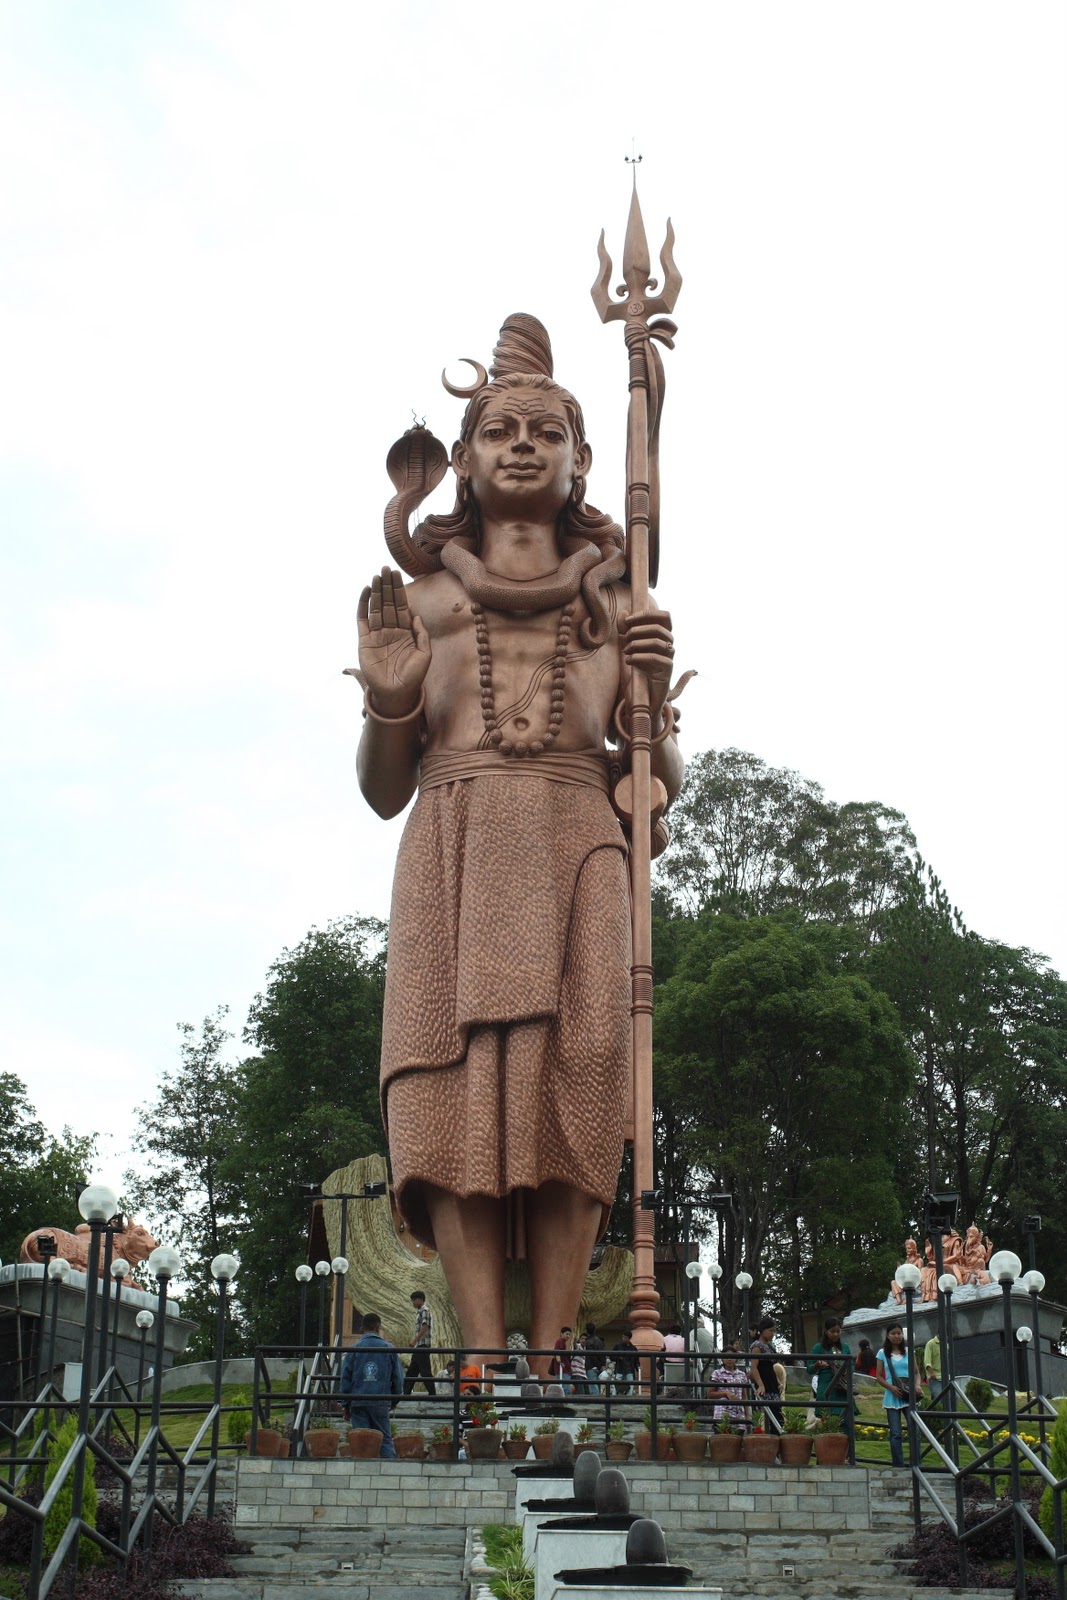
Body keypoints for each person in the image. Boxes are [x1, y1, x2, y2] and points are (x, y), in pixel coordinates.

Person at [353, 314, 682, 1367]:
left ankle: (550, 1357)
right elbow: (380, 790)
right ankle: (480, 1364)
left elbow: (653, 791)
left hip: (576, 842)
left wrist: (652, 717)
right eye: (501, 429)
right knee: (449, 1096)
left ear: (582, 458)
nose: (524, 445)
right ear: (462, 458)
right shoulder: (425, 603)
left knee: (577, 1087)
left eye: (547, 429)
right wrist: (389, 704)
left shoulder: (617, 607)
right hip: (452, 842)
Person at [340, 1313, 404, 1458]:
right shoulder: (389, 1348)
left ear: (362, 1328)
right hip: (380, 1400)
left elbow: (345, 1377)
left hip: (358, 1400)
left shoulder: (354, 1348)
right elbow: (398, 1378)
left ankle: (361, 1476)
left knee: (361, 1442)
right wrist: (395, 1399)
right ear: (378, 1327)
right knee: (385, 1440)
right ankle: (389, 1475)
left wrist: (345, 1403)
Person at [876, 1322, 918, 1468]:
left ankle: (915, 1463)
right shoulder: (882, 1353)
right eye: (893, 1333)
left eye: (899, 1333)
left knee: (915, 1430)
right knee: (895, 1433)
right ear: (887, 1336)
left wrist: (917, 1385)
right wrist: (891, 1388)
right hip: (892, 1396)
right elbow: (879, 1376)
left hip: (908, 1395)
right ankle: (898, 1465)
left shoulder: (908, 1351)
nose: (896, 1336)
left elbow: (916, 1372)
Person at [807, 1318, 855, 1421]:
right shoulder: (818, 1348)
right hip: (826, 1388)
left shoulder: (845, 1347)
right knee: (827, 1423)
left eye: (838, 1331)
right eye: (832, 1331)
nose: (836, 1334)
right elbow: (809, 1369)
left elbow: (852, 1365)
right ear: (826, 1331)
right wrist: (817, 1365)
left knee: (846, 1423)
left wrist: (848, 1371)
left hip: (843, 1389)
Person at [749, 1316, 783, 1434]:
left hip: (771, 1382)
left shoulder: (769, 1347)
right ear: (762, 1330)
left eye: (774, 1331)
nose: (773, 1334)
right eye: (770, 1330)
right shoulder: (757, 1346)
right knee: (773, 1415)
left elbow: (770, 1367)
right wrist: (761, 1385)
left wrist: (778, 1382)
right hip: (765, 1383)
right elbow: (754, 1368)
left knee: (777, 1415)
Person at [706, 1342, 749, 1431]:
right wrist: (725, 1393)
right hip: (722, 1413)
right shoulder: (717, 1373)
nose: (729, 1359)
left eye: (732, 1356)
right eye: (726, 1357)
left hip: (739, 1415)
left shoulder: (742, 1375)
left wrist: (747, 1416)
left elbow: (744, 1396)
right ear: (722, 1359)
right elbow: (710, 1394)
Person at [403, 1291, 437, 1395]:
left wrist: (414, 1340)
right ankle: (406, 1392)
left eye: (414, 1300)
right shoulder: (420, 1312)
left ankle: (432, 1393)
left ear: (421, 1300)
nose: (413, 1302)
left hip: (423, 1344)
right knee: (412, 1370)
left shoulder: (424, 1311)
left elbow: (425, 1326)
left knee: (424, 1370)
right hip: (420, 1345)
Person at [550, 1326, 574, 1393]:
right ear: (561, 1334)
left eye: (569, 1334)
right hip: (562, 1369)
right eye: (567, 1334)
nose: (568, 1336)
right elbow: (557, 1353)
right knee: (565, 1389)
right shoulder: (560, 1342)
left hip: (565, 1369)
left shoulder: (563, 1343)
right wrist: (560, 1362)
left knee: (565, 1388)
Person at [583, 1322, 605, 1396]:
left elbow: (591, 1355)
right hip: (599, 1367)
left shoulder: (589, 1342)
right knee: (597, 1386)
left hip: (591, 1366)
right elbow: (603, 1354)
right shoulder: (600, 1341)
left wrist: (598, 1365)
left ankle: (596, 1404)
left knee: (593, 1387)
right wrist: (602, 1365)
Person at [923, 1332, 943, 1403]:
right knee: (937, 1398)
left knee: (952, 1398)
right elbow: (927, 1361)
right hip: (935, 1378)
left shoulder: (946, 1344)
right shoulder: (930, 1344)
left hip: (945, 1377)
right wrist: (931, 1373)